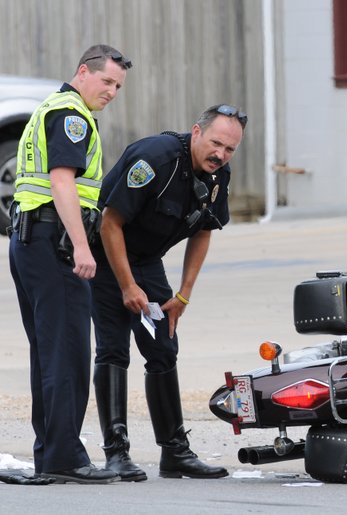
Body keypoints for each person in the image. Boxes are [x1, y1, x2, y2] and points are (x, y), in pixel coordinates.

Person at [91, 104, 246, 480]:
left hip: (147, 259)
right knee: (114, 349)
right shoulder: (154, 159)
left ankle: (174, 452)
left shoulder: (216, 175)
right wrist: (127, 285)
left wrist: (183, 295)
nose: (220, 155)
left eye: (229, 149)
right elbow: (110, 223)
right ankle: (117, 453)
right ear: (196, 132)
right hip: (108, 253)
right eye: (215, 144)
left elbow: (205, 229)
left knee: (163, 347)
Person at [8, 44, 132, 484]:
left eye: (118, 85)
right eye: (107, 81)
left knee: (49, 353)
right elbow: (62, 181)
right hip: (54, 243)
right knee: (68, 354)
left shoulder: (49, 108)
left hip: (29, 241)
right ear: (83, 72)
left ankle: (52, 454)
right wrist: (82, 246)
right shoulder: (72, 115)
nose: (113, 91)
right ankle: (64, 457)